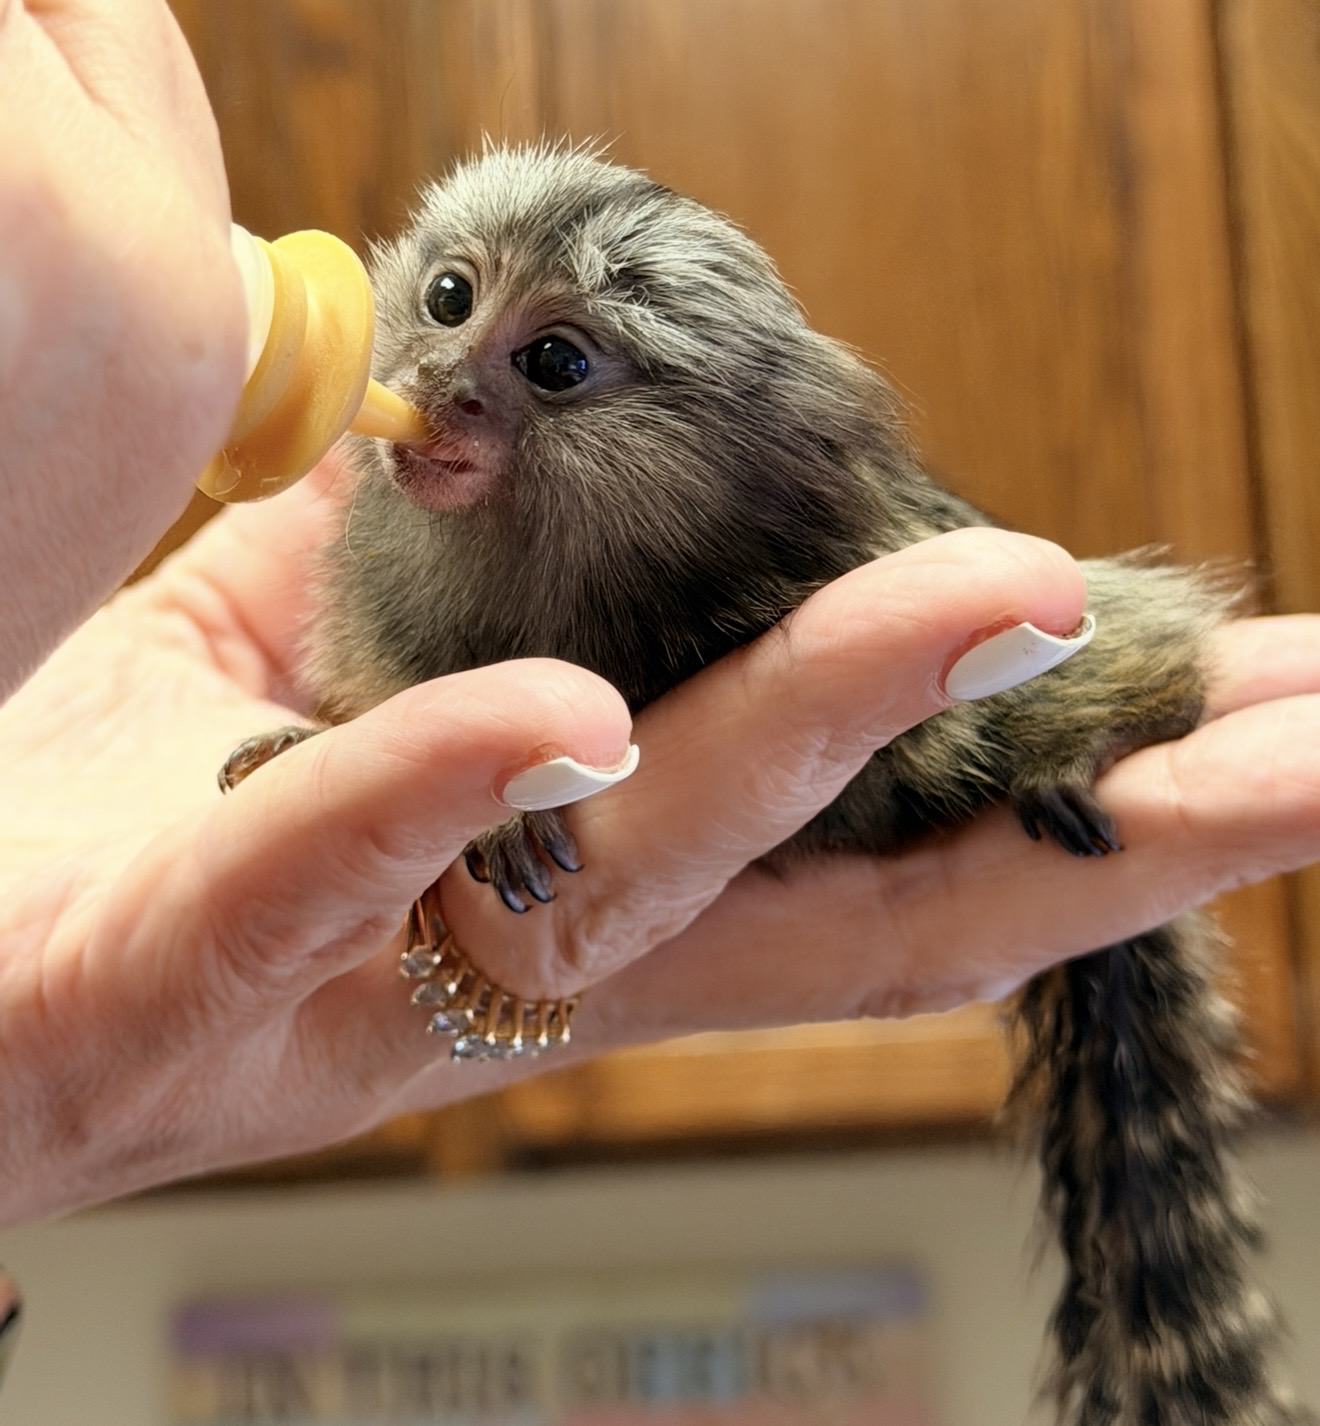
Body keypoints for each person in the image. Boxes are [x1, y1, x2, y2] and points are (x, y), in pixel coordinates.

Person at [4, 0, 1320, 1231]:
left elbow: (1099, 649)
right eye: (451, 296)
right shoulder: (373, 562)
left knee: (1014, 674)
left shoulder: (794, 572)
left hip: (956, 760)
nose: (442, 371)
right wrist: (383, 793)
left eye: (557, 363)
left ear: (749, 461)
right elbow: (427, 736)